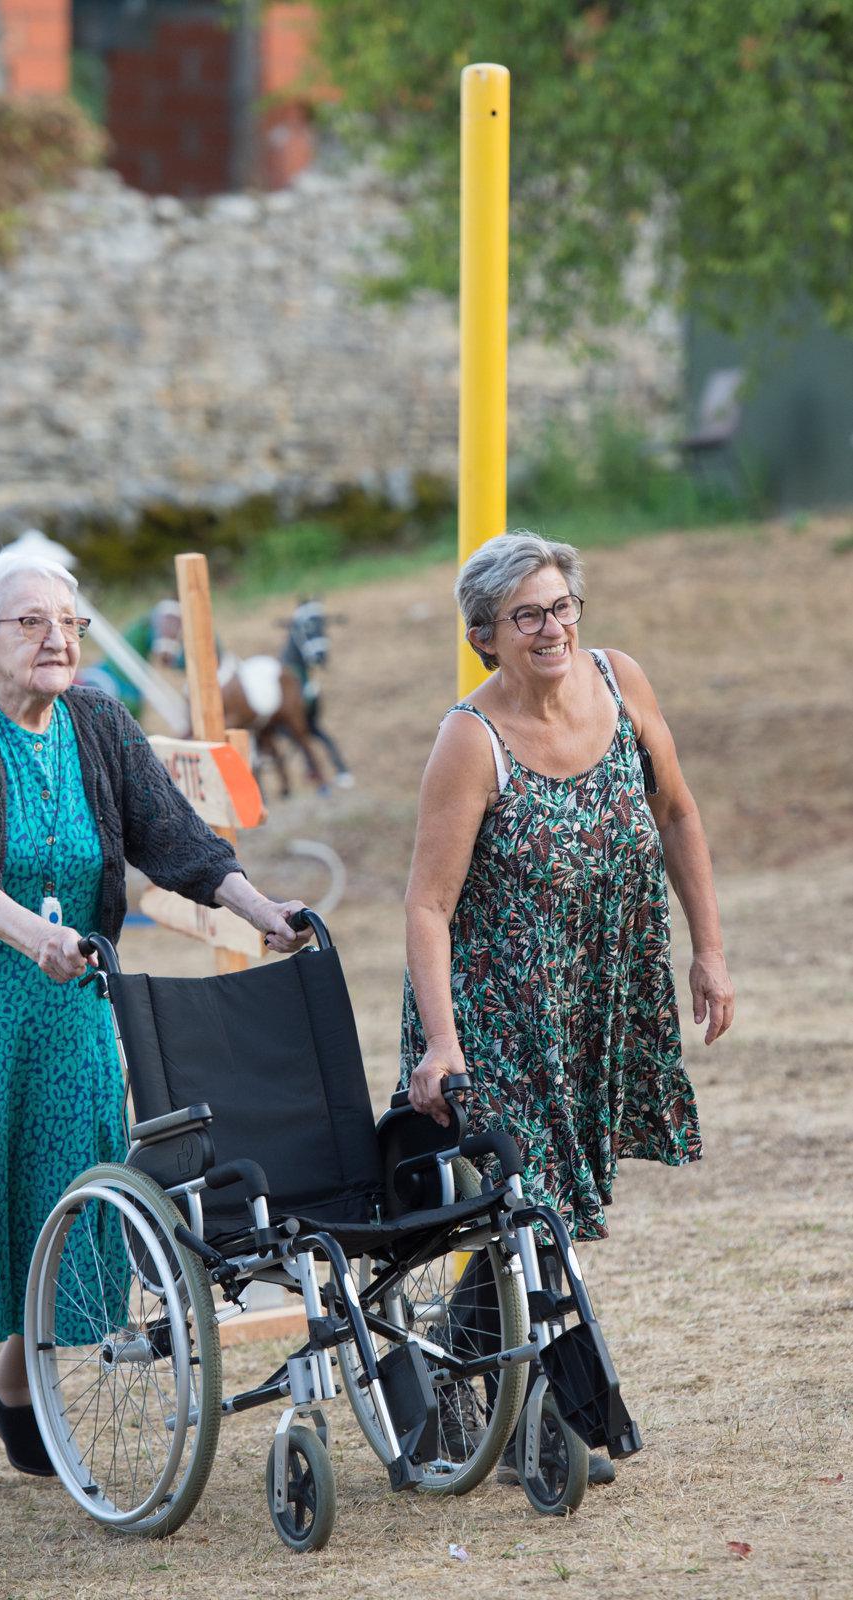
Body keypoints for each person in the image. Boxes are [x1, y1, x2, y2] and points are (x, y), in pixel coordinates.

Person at [0, 548, 309, 1509]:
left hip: (69, 989)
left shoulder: (99, 720)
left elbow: (176, 840)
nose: (57, 638)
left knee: (76, 1184)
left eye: (67, 621)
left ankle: (14, 1386)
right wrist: (37, 937)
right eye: (30, 622)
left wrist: (262, 909)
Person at [401, 532, 734, 1476]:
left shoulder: (620, 683)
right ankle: (552, 1423)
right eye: (526, 617)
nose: (551, 629)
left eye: (560, 607)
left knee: (543, 1204)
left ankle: (452, 1371)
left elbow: (676, 812)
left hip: (596, 991)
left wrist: (708, 950)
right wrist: (440, 1044)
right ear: (484, 637)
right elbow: (426, 906)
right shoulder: (470, 740)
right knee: (534, 1203)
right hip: (495, 1012)